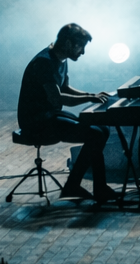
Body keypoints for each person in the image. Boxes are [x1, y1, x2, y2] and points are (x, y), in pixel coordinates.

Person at [16, 23, 117, 203]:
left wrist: (91, 96)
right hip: (36, 122)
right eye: (81, 47)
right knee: (94, 133)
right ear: (69, 43)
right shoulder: (44, 62)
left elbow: (65, 87)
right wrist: (89, 97)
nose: (83, 52)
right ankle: (80, 186)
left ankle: (87, 186)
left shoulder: (61, 59)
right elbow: (57, 99)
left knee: (102, 130)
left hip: (49, 116)